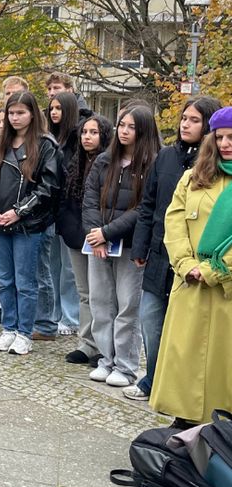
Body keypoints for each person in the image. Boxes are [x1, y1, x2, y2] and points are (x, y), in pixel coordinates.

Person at [125, 95, 221, 401]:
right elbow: (149, 204)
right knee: (150, 322)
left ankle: (178, 387)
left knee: (183, 331)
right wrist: (140, 246)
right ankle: (152, 378)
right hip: (159, 254)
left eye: (194, 120)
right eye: (183, 118)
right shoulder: (165, 157)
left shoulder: (213, 164)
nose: (185, 125)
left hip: (195, 262)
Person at [149, 108, 232, 424]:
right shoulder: (194, 177)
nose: (225, 144)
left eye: (231, 138)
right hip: (190, 285)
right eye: (220, 137)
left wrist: (213, 271)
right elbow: (174, 220)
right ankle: (183, 425)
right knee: (186, 364)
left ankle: (219, 433)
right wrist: (185, 263)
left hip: (225, 290)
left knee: (221, 368)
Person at [0, 91, 61, 356]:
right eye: (11, 113)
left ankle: (25, 332)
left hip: (28, 224)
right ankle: (8, 328)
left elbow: (49, 187)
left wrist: (19, 211)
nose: (15, 117)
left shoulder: (45, 144)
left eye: (21, 112)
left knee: (26, 282)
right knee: (5, 280)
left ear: (32, 114)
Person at [82, 106, 160, 387]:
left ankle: (126, 366)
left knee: (128, 306)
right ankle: (106, 359)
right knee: (101, 303)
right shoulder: (105, 161)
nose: (124, 131)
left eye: (131, 127)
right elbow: (89, 198)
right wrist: (95, 234)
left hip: (128, 245)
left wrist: (107, 232)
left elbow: (142, 209)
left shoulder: (152, 164)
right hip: (99, 243)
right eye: (121, 125)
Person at [57, 114, 113, 366]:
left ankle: (103, 345)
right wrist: (71, 230)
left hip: (102, 236)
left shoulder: (110, 164)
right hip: (77, 236)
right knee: (84, 292)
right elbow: (67, 201)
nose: (87, 137)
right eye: (84, 132)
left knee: (102, 293)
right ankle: (87, 343)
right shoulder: (75, 163)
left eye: (93, 132)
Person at [41, 90, 82, 339]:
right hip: (51, 209)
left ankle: (71, 316)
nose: (55, 112)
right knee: (52, 265)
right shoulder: (49, 138)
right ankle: (55, 313)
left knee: (69, 269)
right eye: (52, 108)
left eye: (59, 108)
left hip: (71, 210)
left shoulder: (77, 138)